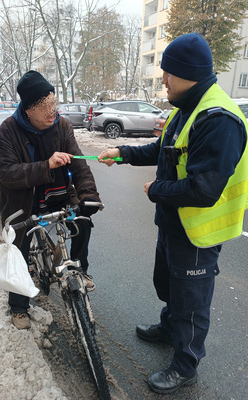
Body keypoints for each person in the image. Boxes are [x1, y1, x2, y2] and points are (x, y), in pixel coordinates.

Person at [98, 33, 248, 394]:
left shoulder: (218, 120)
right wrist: (124, 152)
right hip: (174, 225)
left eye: (167, 72)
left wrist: (157, 191)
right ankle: (169, 329)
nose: (163, 79)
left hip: (198, 233)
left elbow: (204, 189)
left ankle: (185, 365)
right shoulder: (186, 109)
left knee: (191, 303)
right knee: (168, 285)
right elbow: (165, 150)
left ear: (188, 73)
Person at [0, 70, 101, 330]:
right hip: (24, 203)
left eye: (54, 104)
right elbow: (7, 173)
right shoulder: (8, 131)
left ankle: (79, 270)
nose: (52, 112)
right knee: (19, 250)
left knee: (83, 221)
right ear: (29, 110)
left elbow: (79, 165)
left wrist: (88, 196)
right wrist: (46, 165)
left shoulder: (61, 126)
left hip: (59, 195)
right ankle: (19, 306)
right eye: (45, 108)